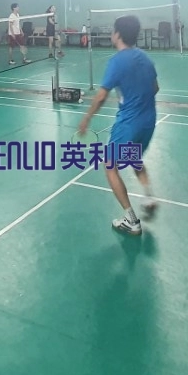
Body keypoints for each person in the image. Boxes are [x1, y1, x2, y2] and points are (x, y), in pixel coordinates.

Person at [77, 15, 160, 236]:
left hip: (128, 123)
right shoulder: (145, 58)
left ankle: (131, 221)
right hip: (149, 121)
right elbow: (155, 88)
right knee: (134, 157)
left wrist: (86, 119)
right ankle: (149, 197)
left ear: (117, 34)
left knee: (110, 165)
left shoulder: (117, 61)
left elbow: (101, 96)